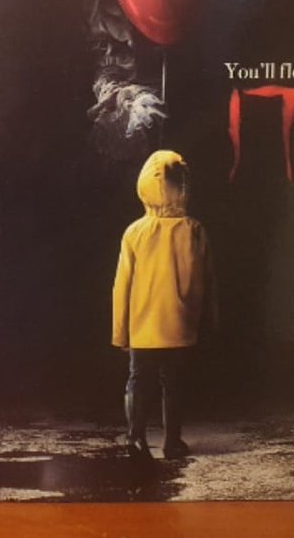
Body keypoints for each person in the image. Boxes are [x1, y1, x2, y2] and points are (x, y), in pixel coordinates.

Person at [112, 150, 216, 459]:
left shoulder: (134, 232)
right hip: (181, 326)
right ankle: (172, 442)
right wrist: (209, 323)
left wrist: (120, 333)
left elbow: (122, 287)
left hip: (142, 327)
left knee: (137, 381)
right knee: (174, 384)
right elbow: (209, 282)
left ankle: (135, 439)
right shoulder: (195, 230)